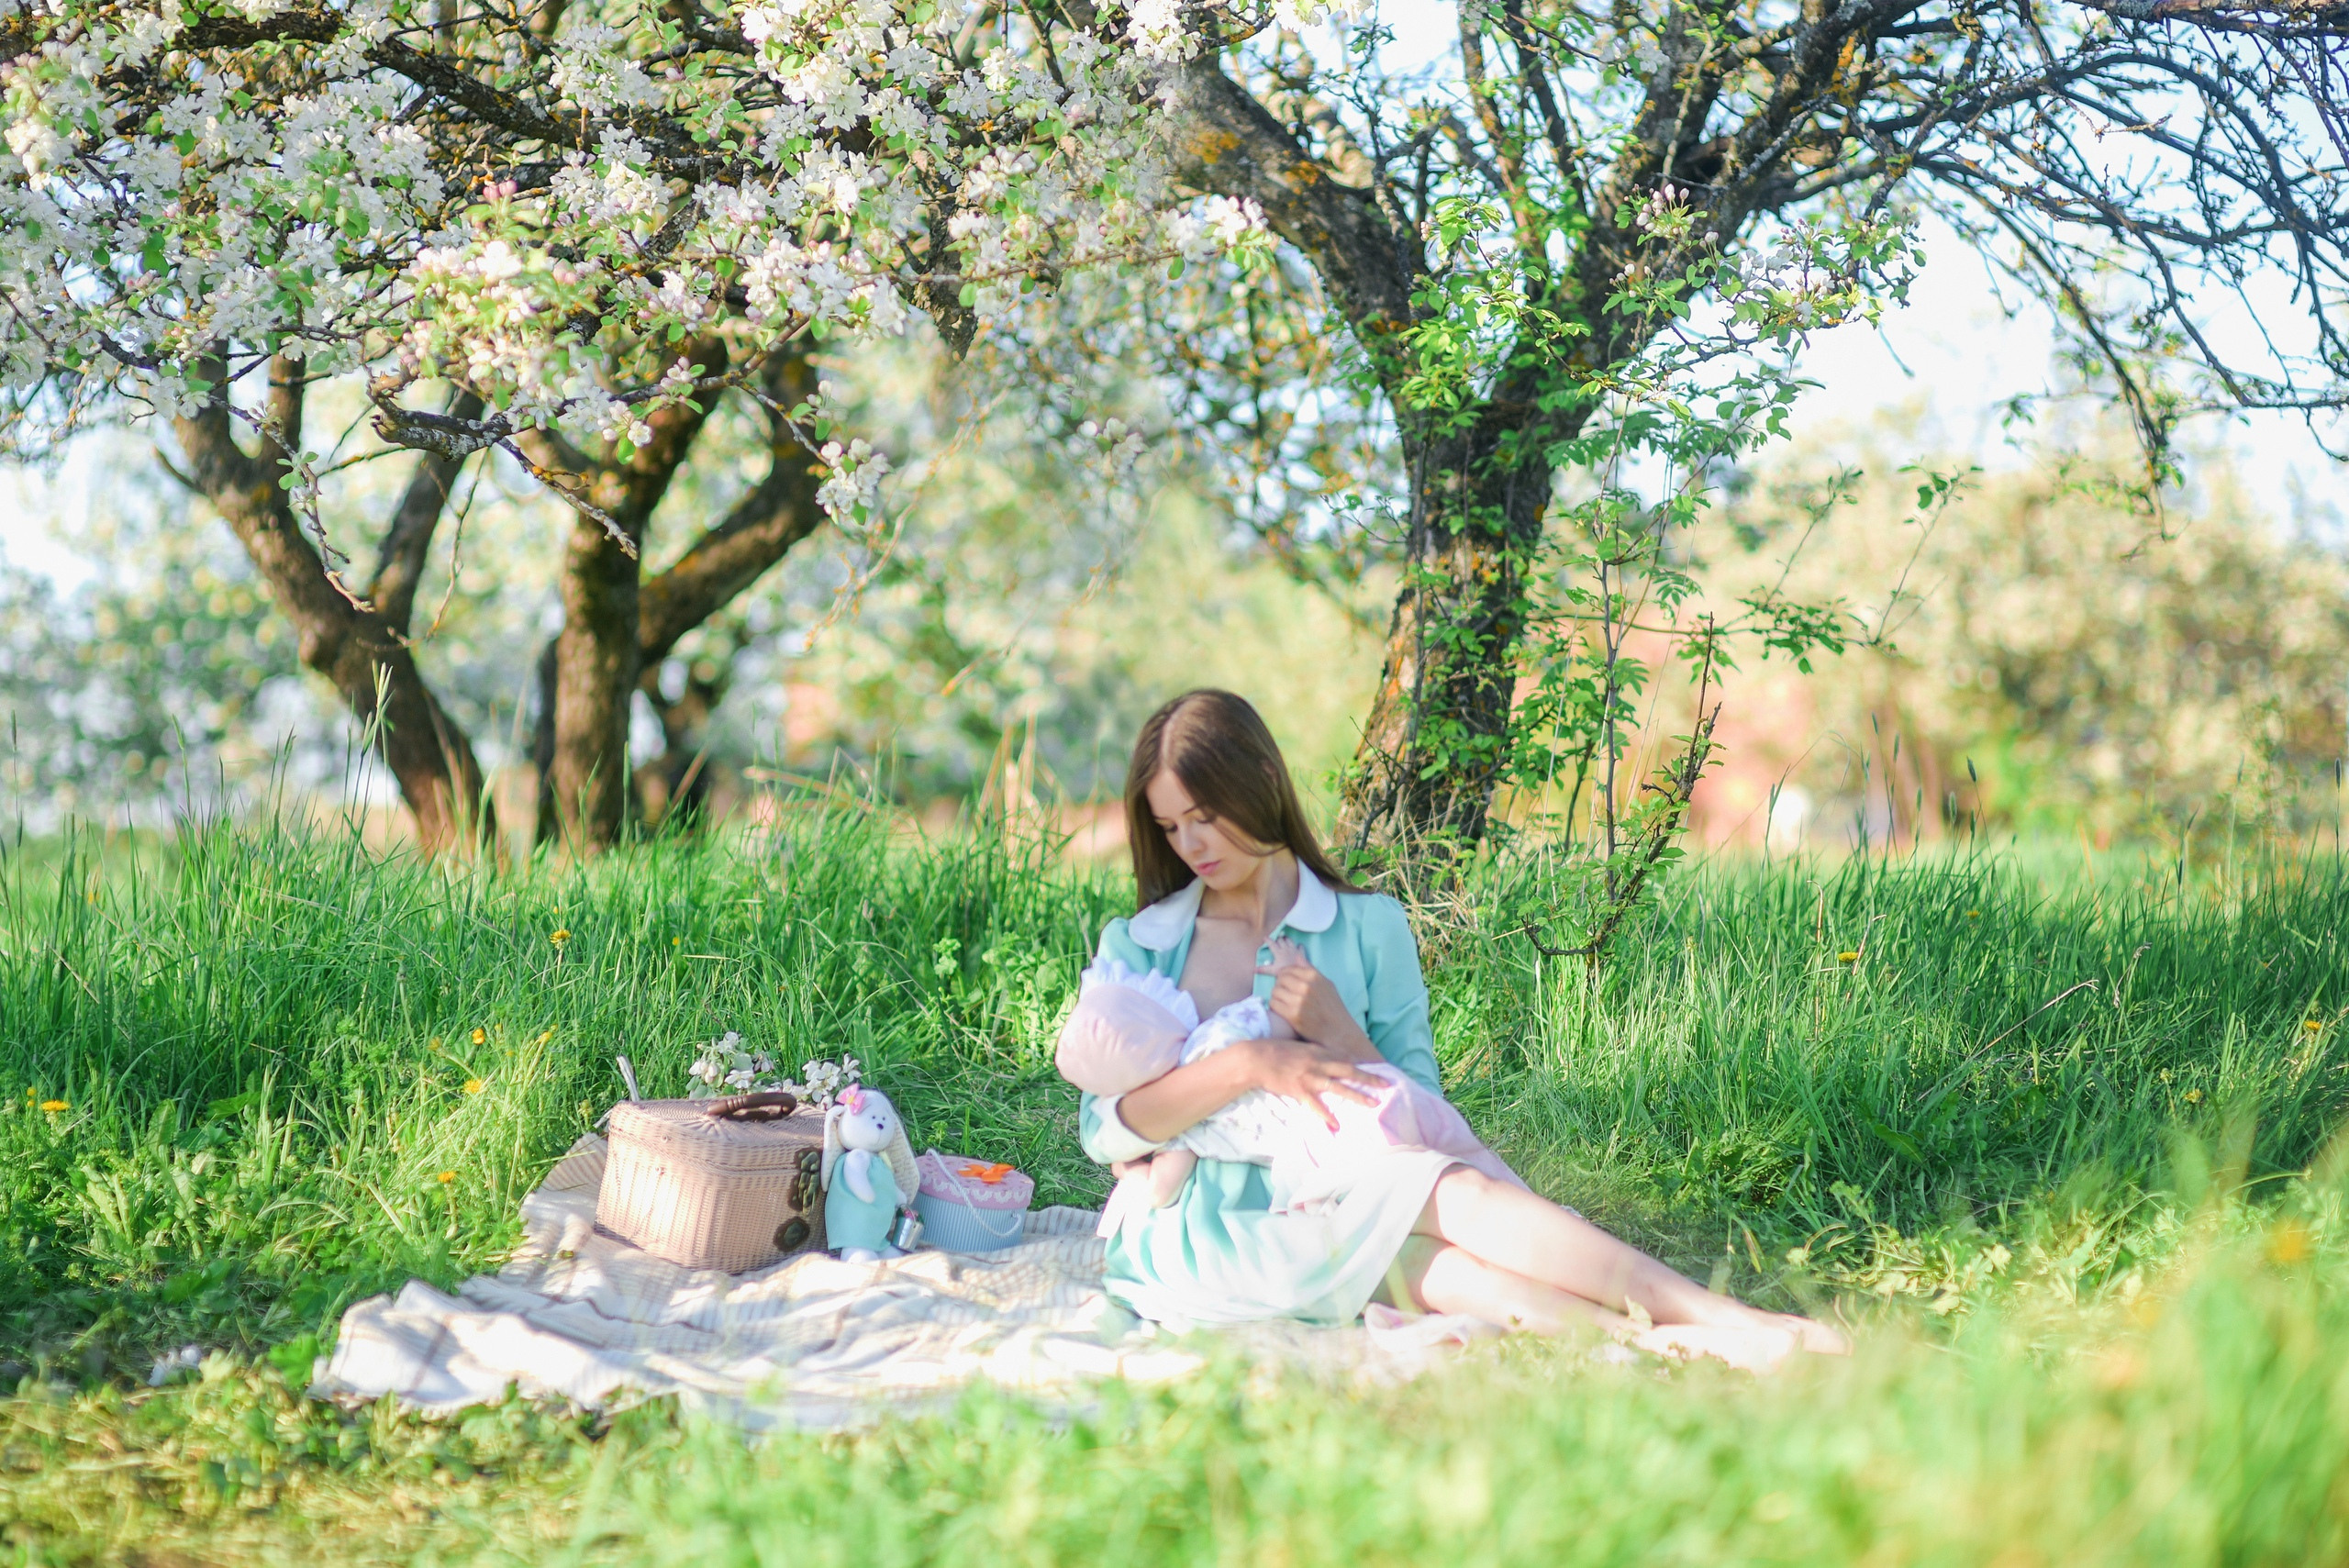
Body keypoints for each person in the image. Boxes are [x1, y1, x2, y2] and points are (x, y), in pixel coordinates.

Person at [1073, 688, 1846, 1372]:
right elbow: (1104, 1132)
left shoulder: (1368, 926)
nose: (1191, 846)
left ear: (1261, 785)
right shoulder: (1141, 945)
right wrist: (1248, 1064)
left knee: (1449, 1214)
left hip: (1353, 1184)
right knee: (1431, 1254)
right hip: (1210, 1230)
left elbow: (1423, 1111)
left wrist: (1345, 1037)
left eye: (1206, 817)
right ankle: (1684, 1341)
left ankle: (1722, 1323)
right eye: (1172, 826)